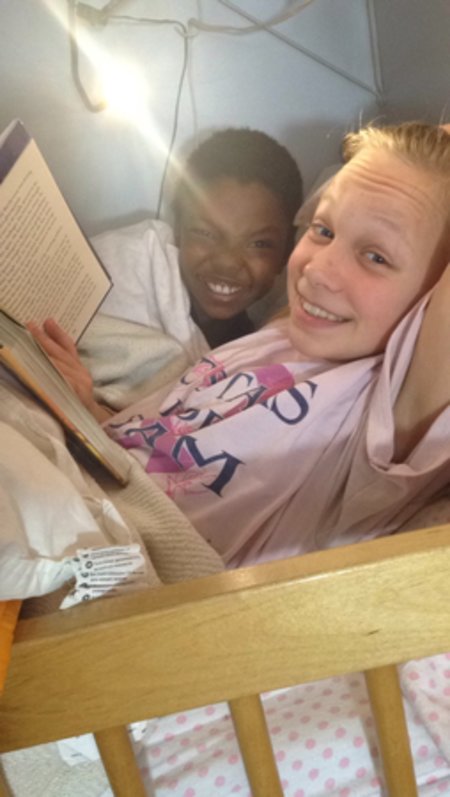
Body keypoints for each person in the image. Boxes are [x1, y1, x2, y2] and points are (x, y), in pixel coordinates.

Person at [29, 122, 450, 570]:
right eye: (323, 230)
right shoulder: (277, 334)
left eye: (376, 256)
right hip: (81, 490)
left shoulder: (389, 412)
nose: (315, 269)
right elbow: (161, 453)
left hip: (119, 569)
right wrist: (87, 408)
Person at [91, 127, 303, 354]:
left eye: (259, 244)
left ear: (286, 254)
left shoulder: (258, 350)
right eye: (206, 233)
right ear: (179, 229)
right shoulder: (116, 269)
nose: (227, 263)